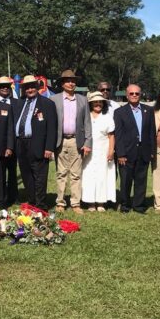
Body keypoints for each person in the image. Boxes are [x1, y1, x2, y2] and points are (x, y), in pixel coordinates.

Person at [50, 69, 92, 214]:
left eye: (73, 81)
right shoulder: (54, 99)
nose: (71, 83)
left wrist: (88, 143)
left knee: (76, 174)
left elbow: (87, 123)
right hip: (60, 141)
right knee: (61, 173)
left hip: (76, 140)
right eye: (67, 81)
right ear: (62, 84)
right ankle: (60, 202)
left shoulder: (82, 100)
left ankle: (75, 203)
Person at [14, 75, 57, 211]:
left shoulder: (47, 104)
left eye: (32, 87)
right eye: (27, 87)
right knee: (26, 174)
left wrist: (49, 147)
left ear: (37, 87)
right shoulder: (19, 103)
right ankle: (32, 201)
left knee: (40, 176)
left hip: (38, 143)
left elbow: (52, 127)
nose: (30, 90)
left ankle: (41, 205)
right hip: (21, 143)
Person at [114, 84, 156, 214]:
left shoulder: (148, 110)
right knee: (126, 181)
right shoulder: (119, 112)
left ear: (140, 95)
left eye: (137, 93)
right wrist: (120, 153)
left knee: (141, 180)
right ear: (127, 95)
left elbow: (151, 132)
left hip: (144, 151)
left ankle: (139, 205)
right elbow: (118, 135)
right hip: (126, 152)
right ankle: (125, 205)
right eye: (131, 93)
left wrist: (152, 151)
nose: (134, 95)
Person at [81, 91, 116, 212]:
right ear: (90, 104)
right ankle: (90, 202)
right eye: (95, 102)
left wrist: (111, 151)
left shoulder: (107, 117)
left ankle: (101, 202)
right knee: (89, 176)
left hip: (103, 150)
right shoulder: (86, 116)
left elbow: (111, 136)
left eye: (100, 102)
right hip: (88, 151)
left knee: (103, 176)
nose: (98, 104)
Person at [0, 76, 19, 206]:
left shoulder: (17, 103)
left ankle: (13, 196)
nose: (5, 88)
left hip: (15, 142)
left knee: (12, 170)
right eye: (2, 86)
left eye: (7, 86)